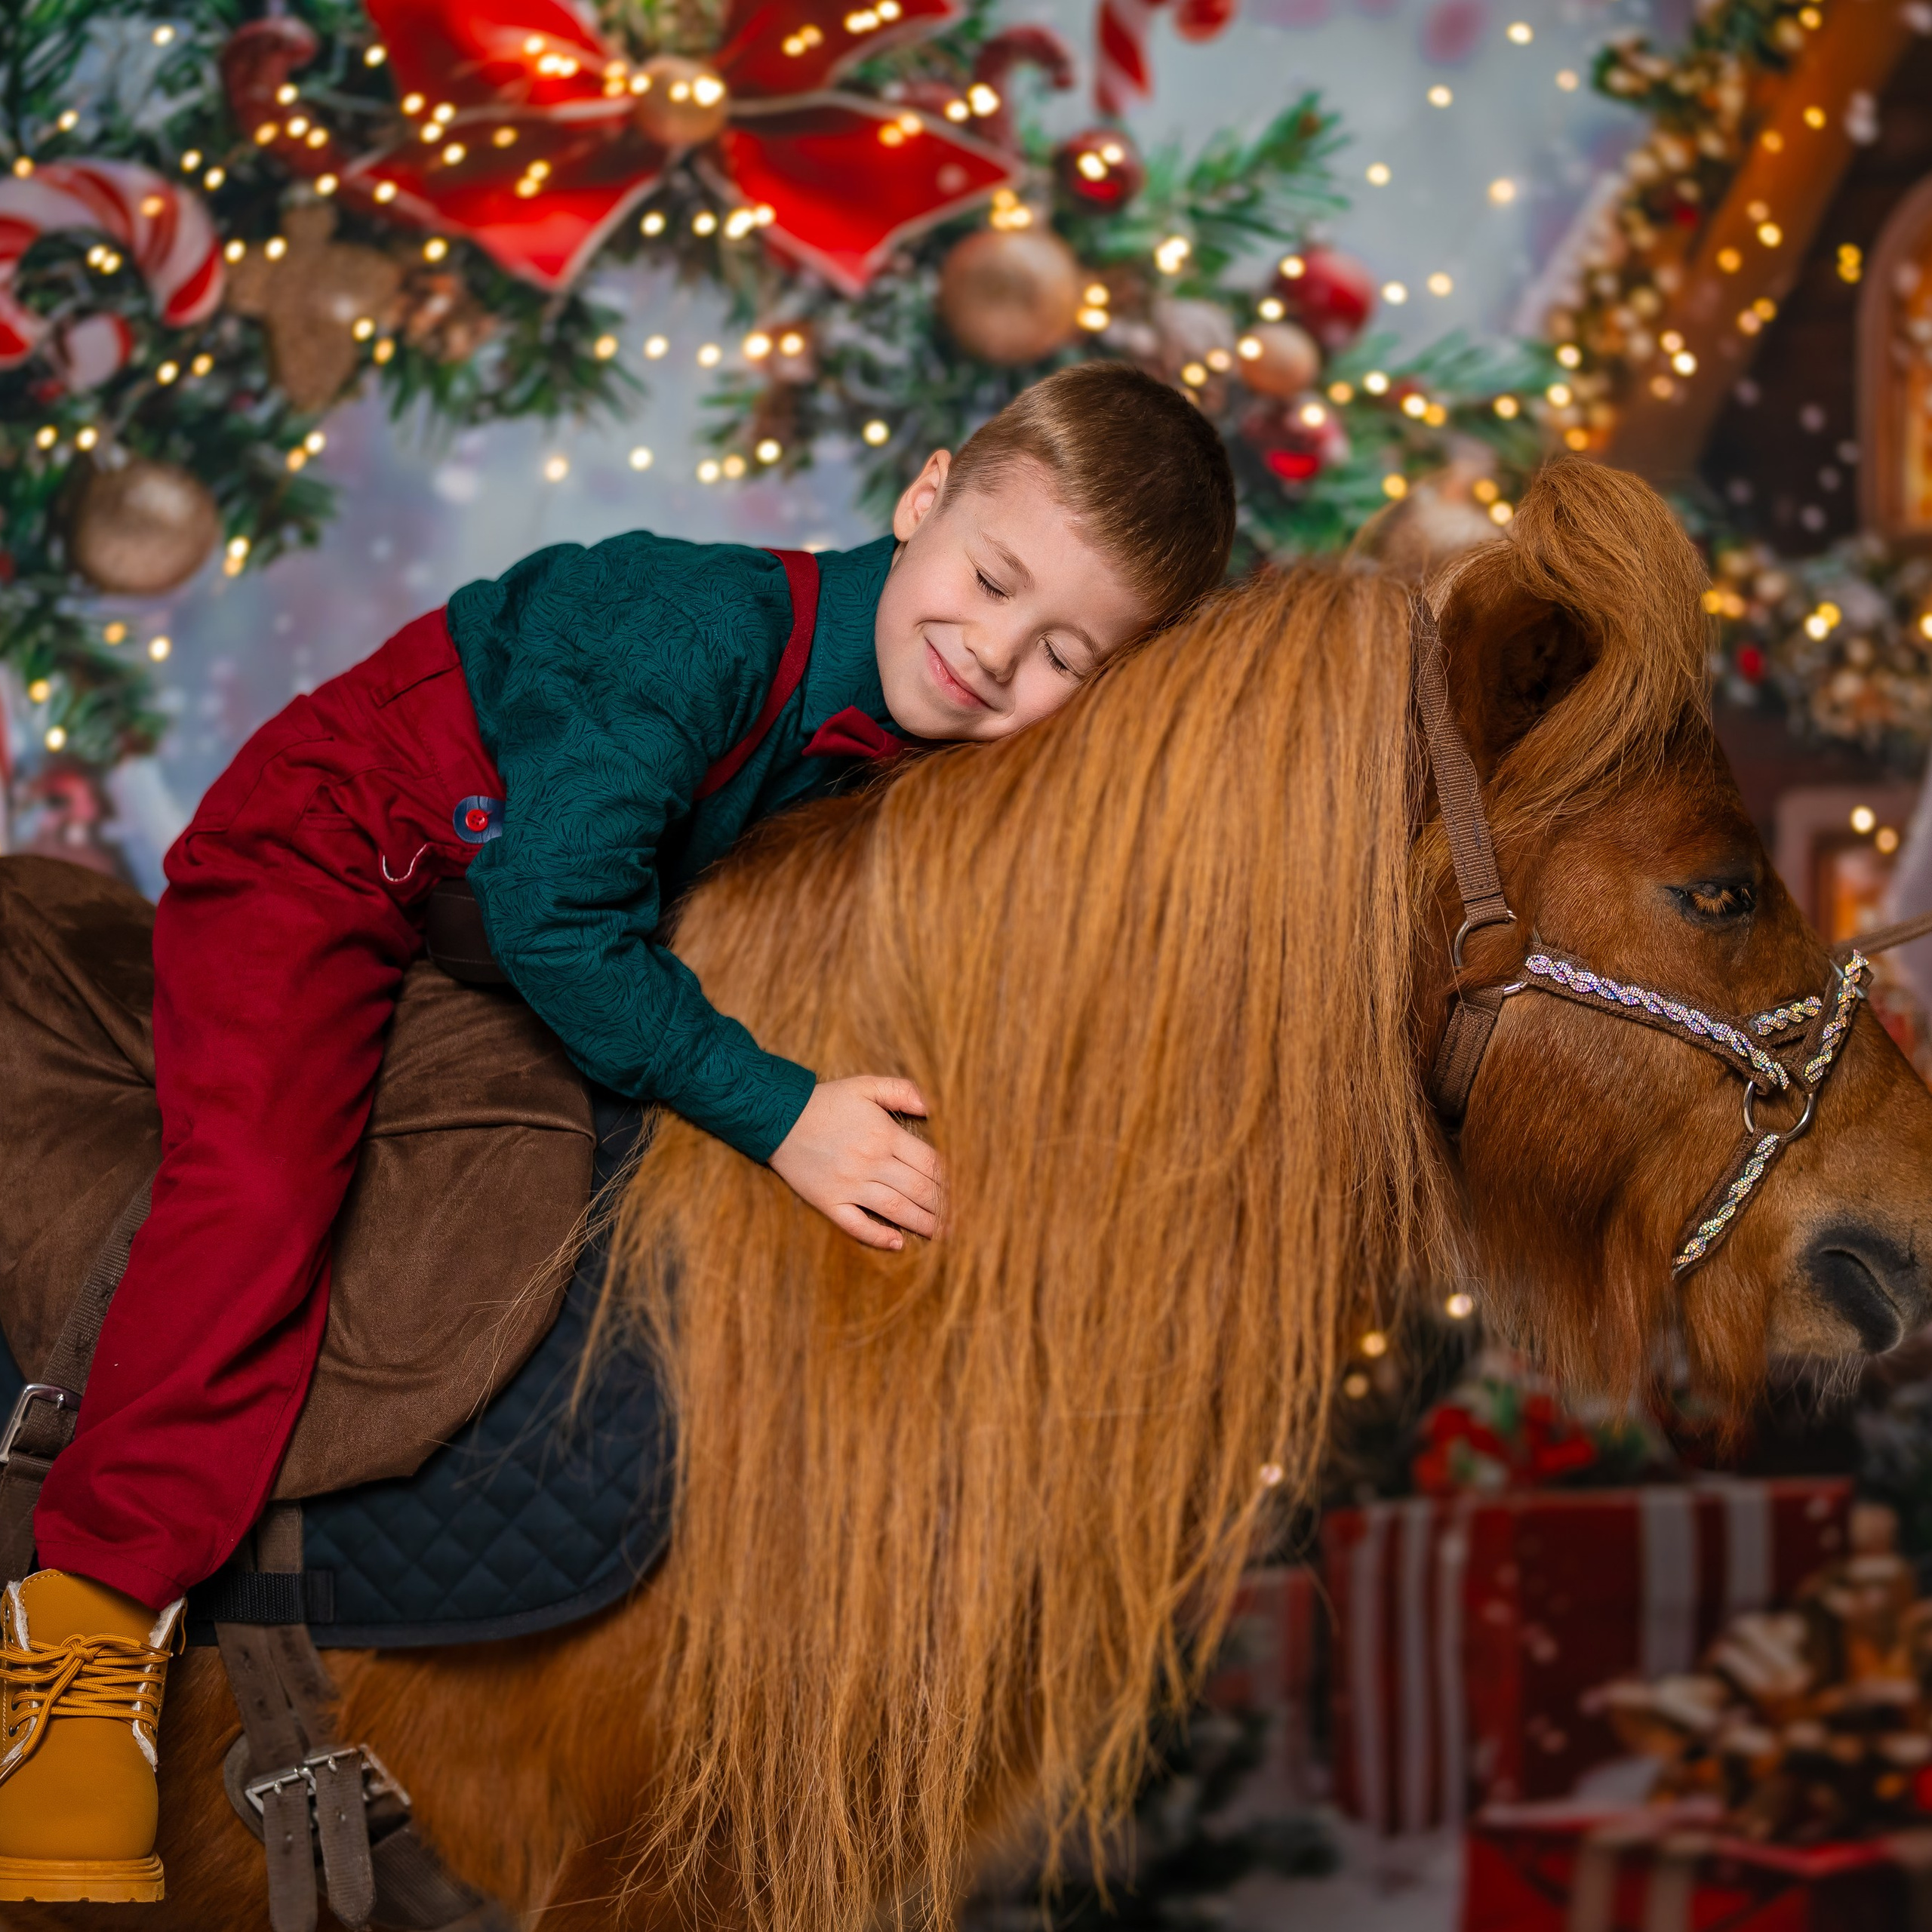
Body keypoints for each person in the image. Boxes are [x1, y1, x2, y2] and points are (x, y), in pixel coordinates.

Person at [0, 360, 1235, 1900]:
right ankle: (88, 1621)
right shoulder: (695, 630)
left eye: (1062, 651)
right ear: (923, 500)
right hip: (336, 854)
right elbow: (561, 919)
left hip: (486, 931)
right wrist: (784, 1112)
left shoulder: (930, 732)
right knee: (256, 1185)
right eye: (989, 579)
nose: (991, 654)